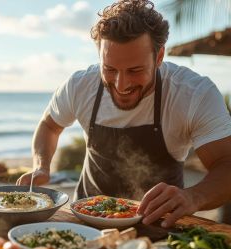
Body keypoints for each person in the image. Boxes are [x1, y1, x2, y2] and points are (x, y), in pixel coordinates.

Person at [17, 0, 231, 228]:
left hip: (159, 224)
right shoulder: (79, 85)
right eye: (109, 69)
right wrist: (41, 165)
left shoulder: (194, 94)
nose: (121, 84)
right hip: (85, 221)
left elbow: (226, 163)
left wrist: (193, 197)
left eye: (135, 70)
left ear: (159, 57)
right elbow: (50, 125)